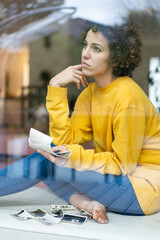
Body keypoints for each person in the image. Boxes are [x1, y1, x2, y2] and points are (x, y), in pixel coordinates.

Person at [1, 19, 160, 224]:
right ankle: (85, 203)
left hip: (143, 192)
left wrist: (72, 156)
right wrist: (55, 86)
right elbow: (65, 139)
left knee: (45, 164)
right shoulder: (91, 93)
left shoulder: (128, 98)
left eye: (96, 48)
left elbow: (123, 165)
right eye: (85, 44)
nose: (85, 53)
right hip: (119, 181)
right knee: (49, 159)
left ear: (115, 57)